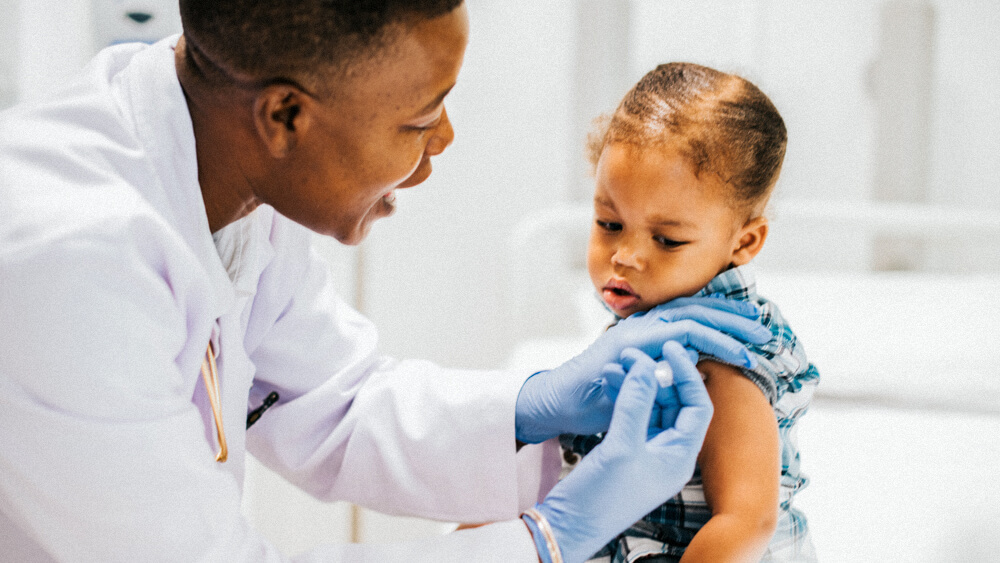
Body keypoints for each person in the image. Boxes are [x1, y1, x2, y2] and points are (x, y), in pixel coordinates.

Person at [0, 3, 775, 562]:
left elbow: (335, 402)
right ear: (285, 117)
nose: (443, 140)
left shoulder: (225, 176)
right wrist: (547, 538)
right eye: (418, 118)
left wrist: (535, 409)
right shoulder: (68, 268)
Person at [558, 63, 820, 562]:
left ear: (744, 242)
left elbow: (747, 519)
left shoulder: (720, 357)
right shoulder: (653, 316)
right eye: (609, 223)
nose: (626, 256)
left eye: (667, 239)